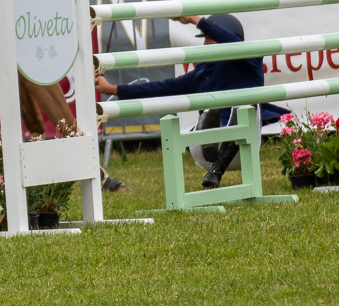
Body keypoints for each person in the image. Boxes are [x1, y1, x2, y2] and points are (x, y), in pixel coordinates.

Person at [94, 13, 263, 189]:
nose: (206, 44)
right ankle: (212, 153)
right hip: (205, 152)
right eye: (205, 39)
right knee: (209, 113)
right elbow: (164, 87)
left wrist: (194, 19)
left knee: (246, 106)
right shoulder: (204, 70)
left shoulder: (250, 60)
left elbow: (232, 43)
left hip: (244, 145)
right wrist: (112, 89)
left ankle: (217, 171)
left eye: (211, 38)